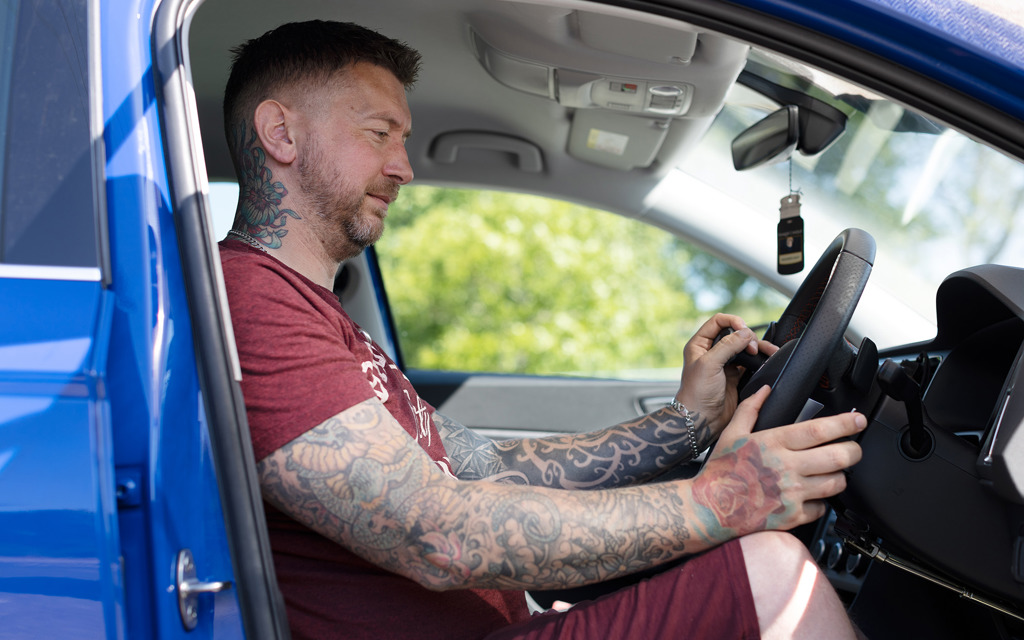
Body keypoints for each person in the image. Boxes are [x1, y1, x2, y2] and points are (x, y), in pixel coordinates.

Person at [218, 20, 867, 640]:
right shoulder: (249, 301)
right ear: (281, 132)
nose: (403, 167)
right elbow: (438, 536)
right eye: (379, 132)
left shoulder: (319, 318)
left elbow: (483, 468)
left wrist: (682, 425)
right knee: (774, 576)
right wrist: (722, 499)